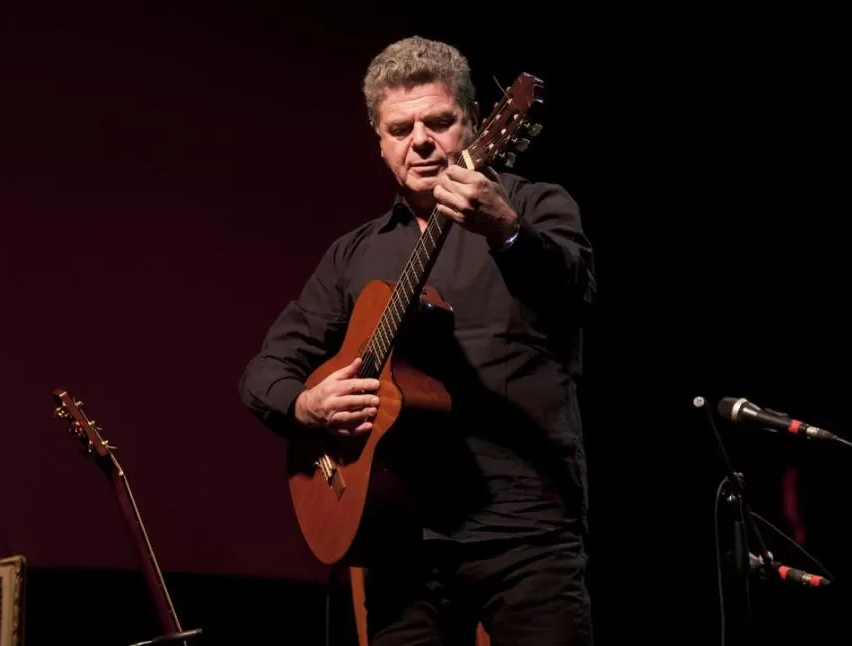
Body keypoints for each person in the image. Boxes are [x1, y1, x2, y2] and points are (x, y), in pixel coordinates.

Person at [239, 35, 596, 646]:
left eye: (439, 121)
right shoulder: (356, 253)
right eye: (399, 129)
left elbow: (576, 289)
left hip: (525, 532)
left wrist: (507, 231)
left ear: (476, 124)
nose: (421, 141)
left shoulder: (533, 205)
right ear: (379, 141)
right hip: (400, 543)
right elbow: (264, 370)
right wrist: (306, 404)